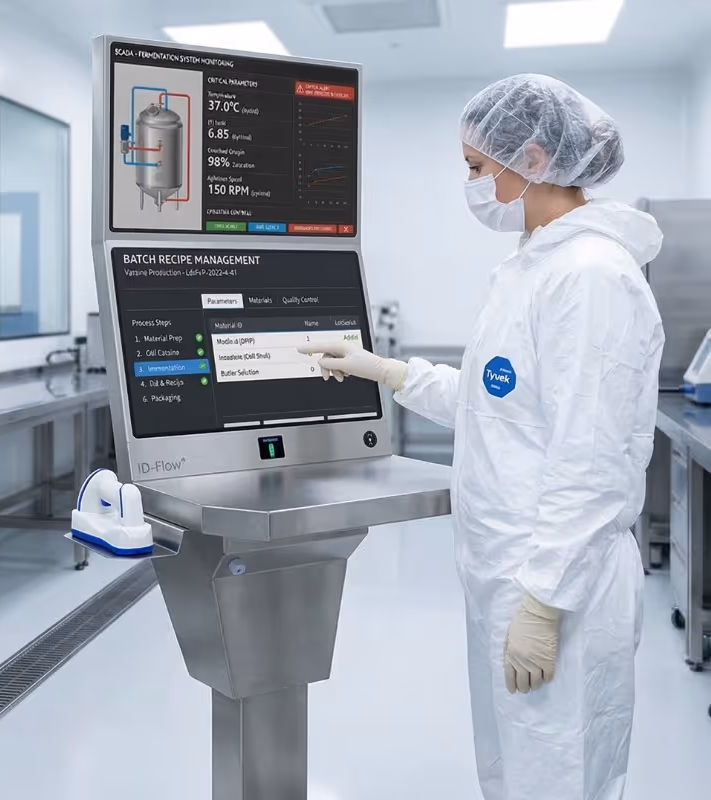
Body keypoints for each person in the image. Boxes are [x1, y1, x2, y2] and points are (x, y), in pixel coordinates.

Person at [300, 74, 664, 800]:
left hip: (558, 584)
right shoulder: (532, 269)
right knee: (515, 770)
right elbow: (502, 403)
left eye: (475, 166)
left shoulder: (590, 276)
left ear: (530, 158)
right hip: (513, 575)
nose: (468, 182)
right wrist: (391, 372)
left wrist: (544, 601)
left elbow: (588, 456)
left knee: (554, 774)